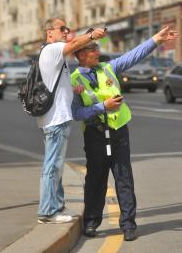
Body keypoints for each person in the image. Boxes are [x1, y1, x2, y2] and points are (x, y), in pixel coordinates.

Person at [71, 27, 178, 240]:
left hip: (119, 132)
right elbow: (76, 113)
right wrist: (103, 106)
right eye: (93, 49)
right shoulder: (74, 80)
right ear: (81, 54)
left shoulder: (108, 68)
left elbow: (133, 55)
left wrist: (156, 39)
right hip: (95, 135)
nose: (98, 52)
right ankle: (91, 222)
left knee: (124, 178)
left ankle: (128, 225)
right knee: (95, 180)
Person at [36, 17, 106, 224]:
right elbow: (75, 44)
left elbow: (55, 83)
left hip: (55, 118)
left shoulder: (55, 53)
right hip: (55, 120)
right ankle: (47, 212)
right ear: (50, 32)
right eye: (62, 29)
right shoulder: (53, 49)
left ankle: (56, 206)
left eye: (68, 29)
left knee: (56, 164)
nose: (67, 32)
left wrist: (71, 90)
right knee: (52, 166)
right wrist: (91, 35)